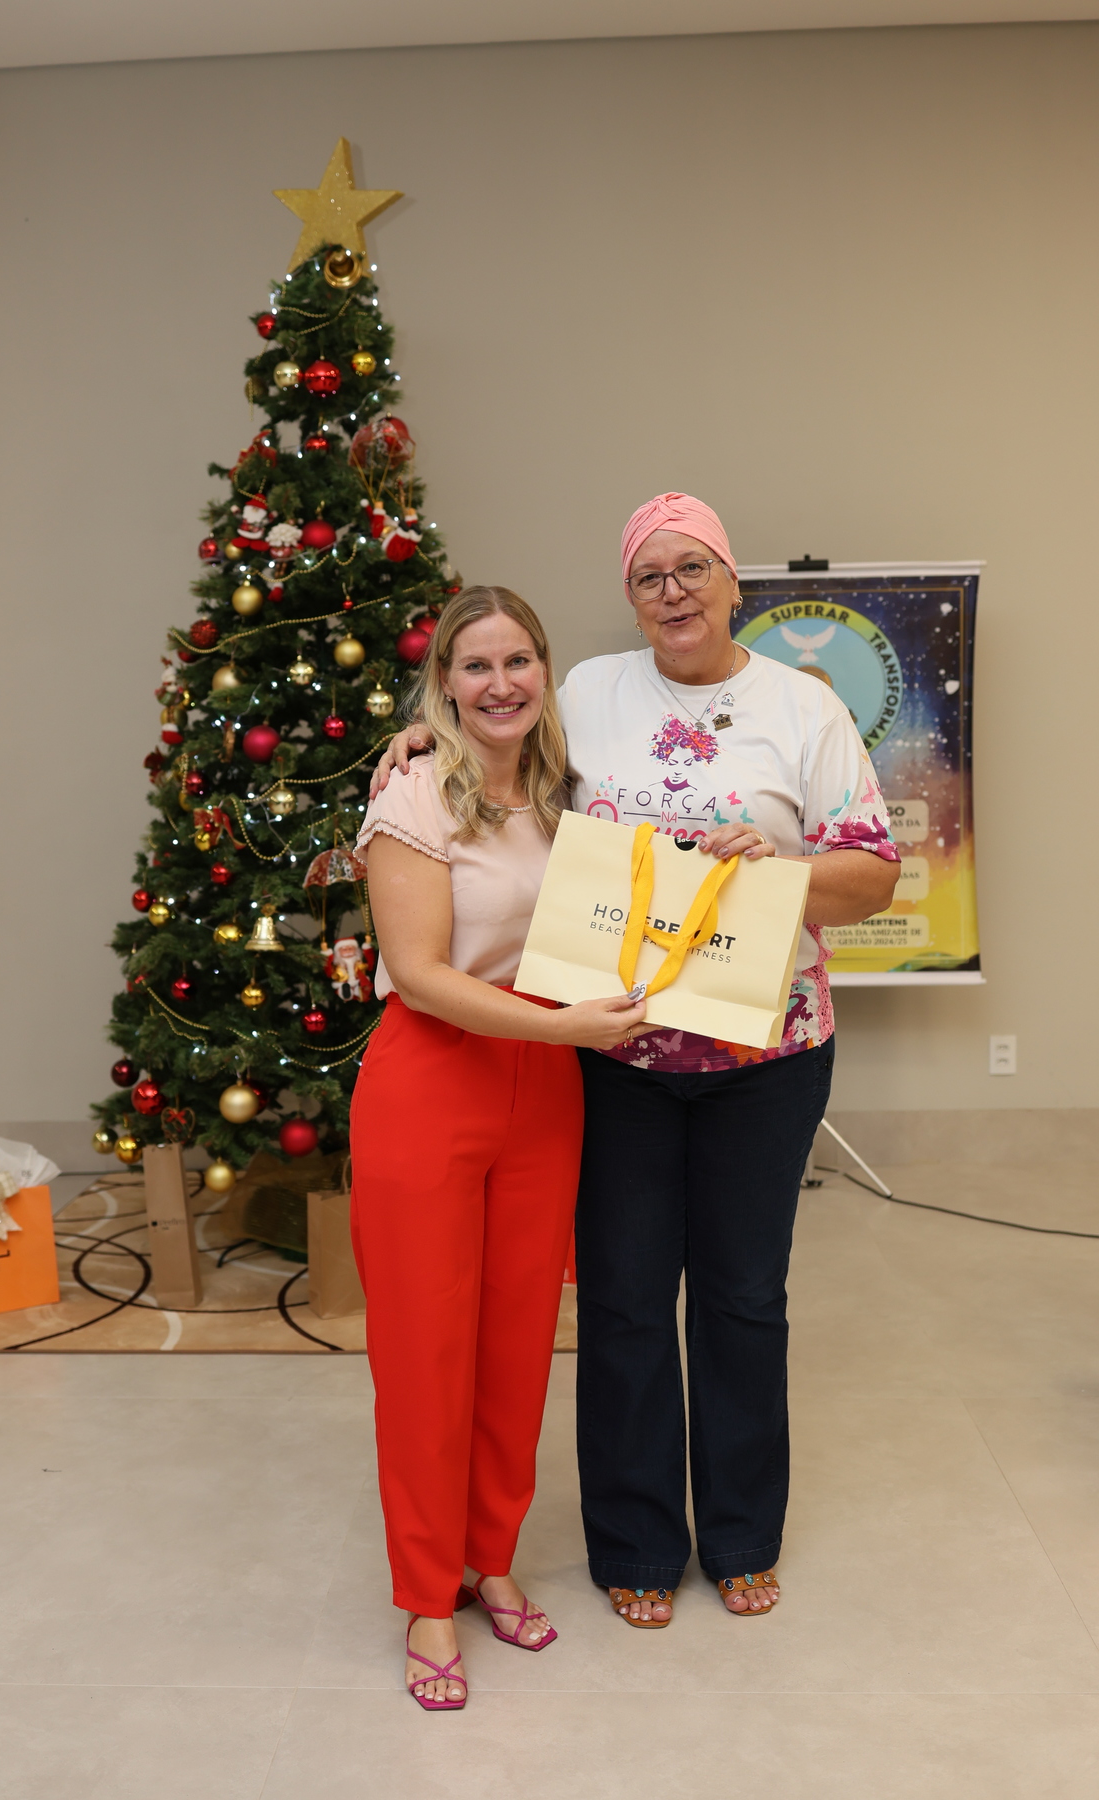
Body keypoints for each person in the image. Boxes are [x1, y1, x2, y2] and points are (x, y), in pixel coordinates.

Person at [370, 493, 901, 1626]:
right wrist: (416, 739)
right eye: (650, 574)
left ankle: (743, 1535)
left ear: (733, 580)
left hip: (768, 1053)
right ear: (630, 595)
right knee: (620, 1303)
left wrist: (781, 866)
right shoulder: (589, 693)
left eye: (693, 567)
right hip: (613, 1060)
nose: (674, 591)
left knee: (743, 1300)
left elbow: (872, 877)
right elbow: (491, 731)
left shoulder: (803, 708)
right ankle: (636, 1547)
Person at [350, 585, 649, 1710]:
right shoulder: (417, 791)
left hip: (544, 1094)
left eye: (518, 660)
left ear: (544, 670)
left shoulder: (570, 796)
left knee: (518, 1347)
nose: (500, 684)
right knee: (427, 1355)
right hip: (434, 1080)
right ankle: (428, 1596)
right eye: (475, 665)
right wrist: (565, 1031)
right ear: (444, 681)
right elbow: (420, 973)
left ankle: (490, 1558)